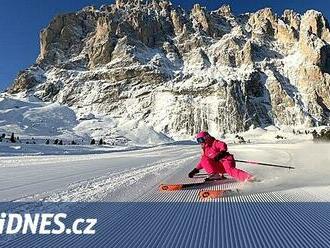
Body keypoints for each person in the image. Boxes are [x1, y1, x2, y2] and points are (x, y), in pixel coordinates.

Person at [188, 131, 253, 182]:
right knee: (204, 158)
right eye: (198, 141)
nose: (200, 143)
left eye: (201, 140)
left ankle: (249, 178)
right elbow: (203, 162)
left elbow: (223, 145)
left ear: (206, 137)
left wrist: (221, 153)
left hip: (226, 160)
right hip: (219, 166)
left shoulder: (215, 143)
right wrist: (195, 170)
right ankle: (215, 174)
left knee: (230, 170)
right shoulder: (206, 149)